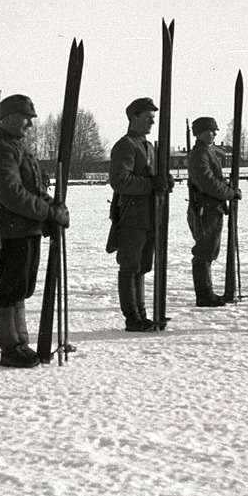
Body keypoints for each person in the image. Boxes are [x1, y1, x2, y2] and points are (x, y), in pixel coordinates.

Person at [0, 94, 69, 368]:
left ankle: (21, 343)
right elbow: (12, 194)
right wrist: (47, 212)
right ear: (6, 118)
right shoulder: (2, 150)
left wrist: (51, 207)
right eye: (25, 118)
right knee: (10, 290)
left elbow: (32, 190)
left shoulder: (19, 149)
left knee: (21, 288)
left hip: (27, 229)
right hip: (11, 232)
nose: (30, 124)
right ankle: (10, 348)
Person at [108, 97, 167, 331]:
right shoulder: (126, 146)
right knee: (130, 266)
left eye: (153, 117)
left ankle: (141, 313)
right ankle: (132, 315)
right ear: (134, 118)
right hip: (133, 217)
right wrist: (151, 184)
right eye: (147, 117)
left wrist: (164, 183)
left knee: (143, 266)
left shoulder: (149, 147)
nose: (152, 121)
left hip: (151, 216)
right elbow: (120, 180)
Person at [186, 116, 242, 306]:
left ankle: (207, 291)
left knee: (209, 250)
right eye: (211, 130)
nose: (214, 133)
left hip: (211, 208)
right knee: (204, 251)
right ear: (200, 133)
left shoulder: (207, 152)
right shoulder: (200, 154)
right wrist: (230, 193)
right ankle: (204, 293)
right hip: (205, 210)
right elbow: (207, 182)